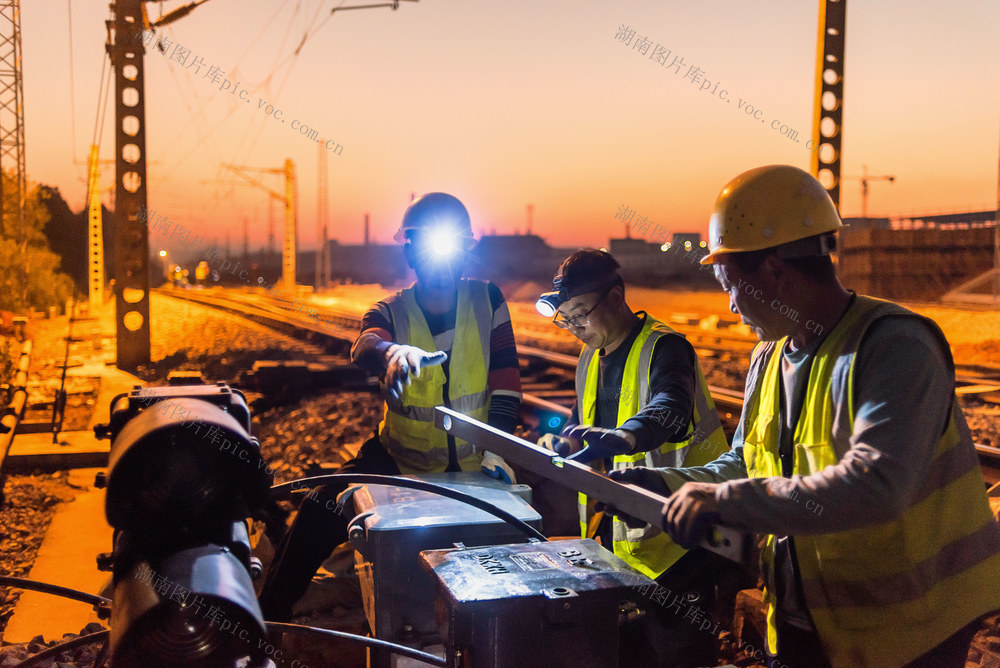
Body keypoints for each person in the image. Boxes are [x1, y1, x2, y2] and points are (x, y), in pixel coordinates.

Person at [609, 165, 1000, 667]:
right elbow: (750, 463)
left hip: (909, 628)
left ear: (774, 272)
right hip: (808, 617)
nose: (729, 305)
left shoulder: (894, 347)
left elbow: (878, 485)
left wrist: (725, 500)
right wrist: (667, 485)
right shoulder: (769, 356)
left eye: (730, 283)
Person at [259, 192, 522, 621]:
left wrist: (498, 446)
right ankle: (265, 618)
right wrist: (389, 353)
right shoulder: (391, 310)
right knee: (318, 508)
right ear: (411, 253)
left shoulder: (488, 300)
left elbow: (506, 381)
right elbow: (364, 343)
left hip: (477, 462)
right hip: (399, 459)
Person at [535, 249, 730, 667]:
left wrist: (623, 438)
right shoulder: (591, 356)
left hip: (682, 536)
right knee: (630, 653)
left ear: (617, 296)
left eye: (581, 313)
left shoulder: (666, 347)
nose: (574, 328)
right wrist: (565, 443)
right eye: (566, 318)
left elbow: (670, 407)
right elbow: (582, 419)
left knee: (680, 656)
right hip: (624, 538)